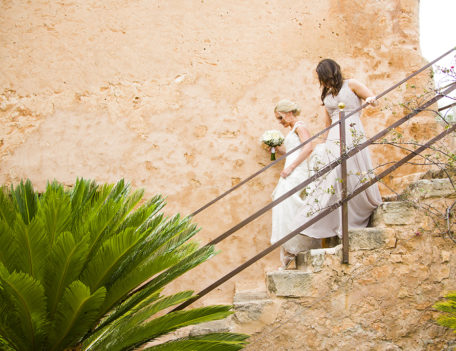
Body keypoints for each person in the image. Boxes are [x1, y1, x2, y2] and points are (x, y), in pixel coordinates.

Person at [291, 59, 382, 247]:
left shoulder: (352, 84)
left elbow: (373, 99)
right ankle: (339, 219)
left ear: (328, 72)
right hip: (334, 133)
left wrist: (371, 100)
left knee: (352, 168)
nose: (321, 80)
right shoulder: (326, 93)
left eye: (322, 76)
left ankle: (358, 210)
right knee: (334, 174)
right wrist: (324, 143)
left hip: (351, 127)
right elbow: (327, 122)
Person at [269, 99, 327, 269]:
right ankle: (289, 250)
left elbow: (308, 148)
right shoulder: (292, 130)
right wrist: (275, 150)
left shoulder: (300, 126)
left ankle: (294, 250)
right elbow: (294, 151)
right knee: (284, 207)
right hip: (290, 171)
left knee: (290, 207)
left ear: (288, 113)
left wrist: (292, 167)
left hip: (296, 173)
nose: (280, 122)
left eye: (280, 118)